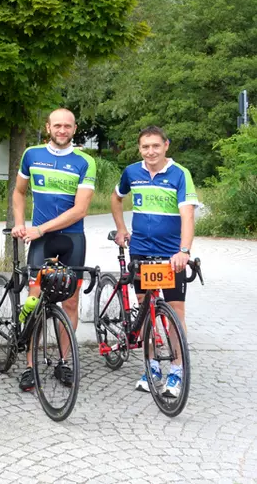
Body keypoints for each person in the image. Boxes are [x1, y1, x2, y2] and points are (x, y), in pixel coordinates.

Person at [11, 108, 96, 391]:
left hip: (71, 238)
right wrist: (21, 223)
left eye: (67, 126)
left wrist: (41, 228)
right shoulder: (32, 155)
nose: (62, 130)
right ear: (48, 127)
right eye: (57, 125)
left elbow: (80, 209)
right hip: (41, 241)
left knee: (70, 302)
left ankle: (63, 361)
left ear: (74, 129)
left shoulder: (85, 161)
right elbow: (20, 191)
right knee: (34, 299)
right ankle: (29, 366)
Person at [111, 125, 198, 398]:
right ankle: (151, 367)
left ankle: (177, 369)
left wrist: (184, 250)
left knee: (175, 314)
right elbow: (116, 198)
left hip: (172, 256)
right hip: (140, 251)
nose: (151, 151)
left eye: (155, 146)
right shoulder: (131, 172)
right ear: (140, 148)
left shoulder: (180, 174)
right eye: (145, 147)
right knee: (145, 310)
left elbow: (188, 216)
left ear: (166, 146)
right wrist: (121, 228)